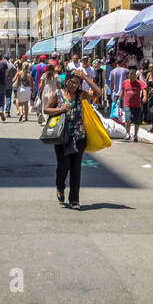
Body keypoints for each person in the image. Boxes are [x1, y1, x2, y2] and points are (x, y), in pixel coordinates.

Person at [44, 67, 102, 210]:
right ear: (67, 80)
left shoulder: (81, 94)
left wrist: (86, 78)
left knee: (76, 169)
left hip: (79, 137)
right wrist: (60, 109)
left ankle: (74, 199)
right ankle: (60, 186)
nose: (74, 85)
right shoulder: (57, 94)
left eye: (77, 83)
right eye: (73, 82)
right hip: (62, 137)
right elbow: (46, 109)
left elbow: (98, 93)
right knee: (63, 166)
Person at [121, 69, 146, 141]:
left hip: (137, 105)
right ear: (128, 76)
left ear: (136, 76)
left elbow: (144, 90)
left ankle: (135, 135)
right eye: (130, 76)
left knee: (137, 121)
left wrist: (144, 97)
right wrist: (119, 100)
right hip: (127, 104)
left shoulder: (139, 83)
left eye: (133, 76)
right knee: (128, 119)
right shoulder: (125, 82)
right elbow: (122, 92)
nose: (132, 77)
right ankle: (127, 133)